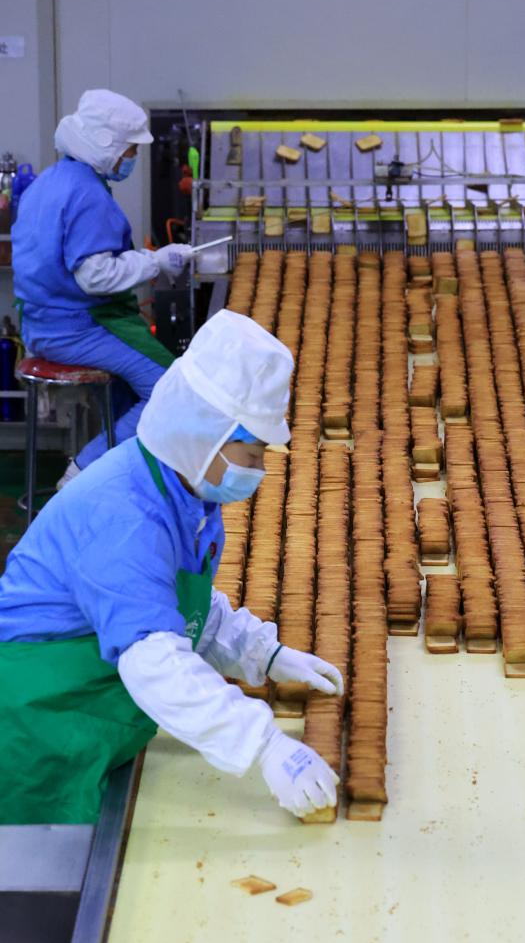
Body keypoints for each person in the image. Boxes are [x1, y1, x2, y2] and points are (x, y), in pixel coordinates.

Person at [0, 309, 342, 824]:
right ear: (204, 435)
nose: (259, 470)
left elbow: (178, 605)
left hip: (92, 702)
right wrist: (263, 743)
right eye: (252, 454)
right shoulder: (126, 519)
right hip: (41, 719)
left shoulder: (182, 493)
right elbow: (155, 661)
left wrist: (261, 653)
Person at [11, 89, 193, 487]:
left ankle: (123, 476)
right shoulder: (87, 194)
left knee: (131, 389)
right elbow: (95, 277)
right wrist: (157, 262)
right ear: (107, 144)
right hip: (75, 328)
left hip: (40, 324)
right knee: (171, 391)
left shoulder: (50, 181)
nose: (132, 158)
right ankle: (84, 474)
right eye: (131, 150)